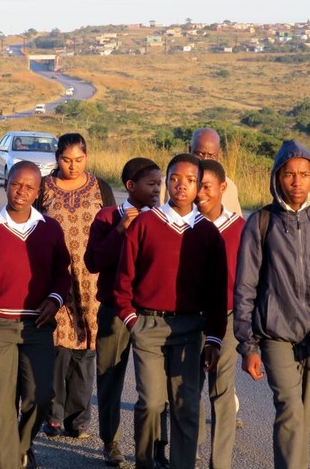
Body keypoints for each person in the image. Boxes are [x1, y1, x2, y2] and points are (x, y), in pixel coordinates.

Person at [234, 140, 310, 469]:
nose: (297, 181)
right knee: (289, 409)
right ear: (277, 178)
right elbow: (245, 286)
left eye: (304, 174)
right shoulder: (260, 222)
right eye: (289, 174)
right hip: (274, 332)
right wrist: (248, 346)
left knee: (302, 415)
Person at [115, 153, 228, 469]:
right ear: (167, 181)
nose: (182, 185)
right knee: (151, 404)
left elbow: (218, 293)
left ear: (198, 188)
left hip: (191, 329)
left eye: (190, 180)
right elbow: (125, 276)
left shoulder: (207, 233)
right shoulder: (146, 224)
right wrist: (131, 318)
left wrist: (215, 338)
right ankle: (145, 462)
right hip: (148, 326)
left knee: (186, 407)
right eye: (175, 178)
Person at [0, 161, 72, 469]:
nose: (21, 192)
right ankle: (9, 462)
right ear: (6, 183)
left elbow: (63, 274)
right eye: (15, 184)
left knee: (42, 396)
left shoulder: (50, 229)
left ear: (38, 192)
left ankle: (21, 448)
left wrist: (56, 298)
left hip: (36, 326)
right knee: (2, 404)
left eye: (29, 187)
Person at [35, 132, 116, 439]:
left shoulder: (101, 188)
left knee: (85, 350)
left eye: (79, 160)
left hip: (92, 282)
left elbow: (111, 230)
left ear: (87, 156)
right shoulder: (44, 188)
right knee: (57, 348)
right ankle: (53, 415)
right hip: (55, 278)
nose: (73, 166)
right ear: (57, 158)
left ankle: (79, 418)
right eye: (66, 160)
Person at [84, 158, 162, 467]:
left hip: (151, 313)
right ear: (131, 186)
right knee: (110, 376)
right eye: (151, 184)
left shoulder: (163, 218)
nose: (158, 189)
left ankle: (158, 445)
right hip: (115, 312)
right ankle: (110, 442)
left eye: (160, 183)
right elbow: (93, 262)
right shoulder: (107, 217)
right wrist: (120, 230)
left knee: (157, 385)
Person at [196, 160, 245, 469]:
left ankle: (221, 462)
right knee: (188, 389)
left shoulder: (240, 228)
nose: (199, 193)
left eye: (206, 186)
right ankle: (190, 451)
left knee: (222, 389)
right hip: (188, 316)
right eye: (195, 185)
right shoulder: (183, 224)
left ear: (222, 189)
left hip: (226, 315)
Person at [190, 128, 241, 217]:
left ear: (219, 154)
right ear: (190, 150)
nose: (205, 159)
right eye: (200, 154)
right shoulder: (173, 183)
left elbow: (235, 225)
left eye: (211, 155)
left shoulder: (229, 187)